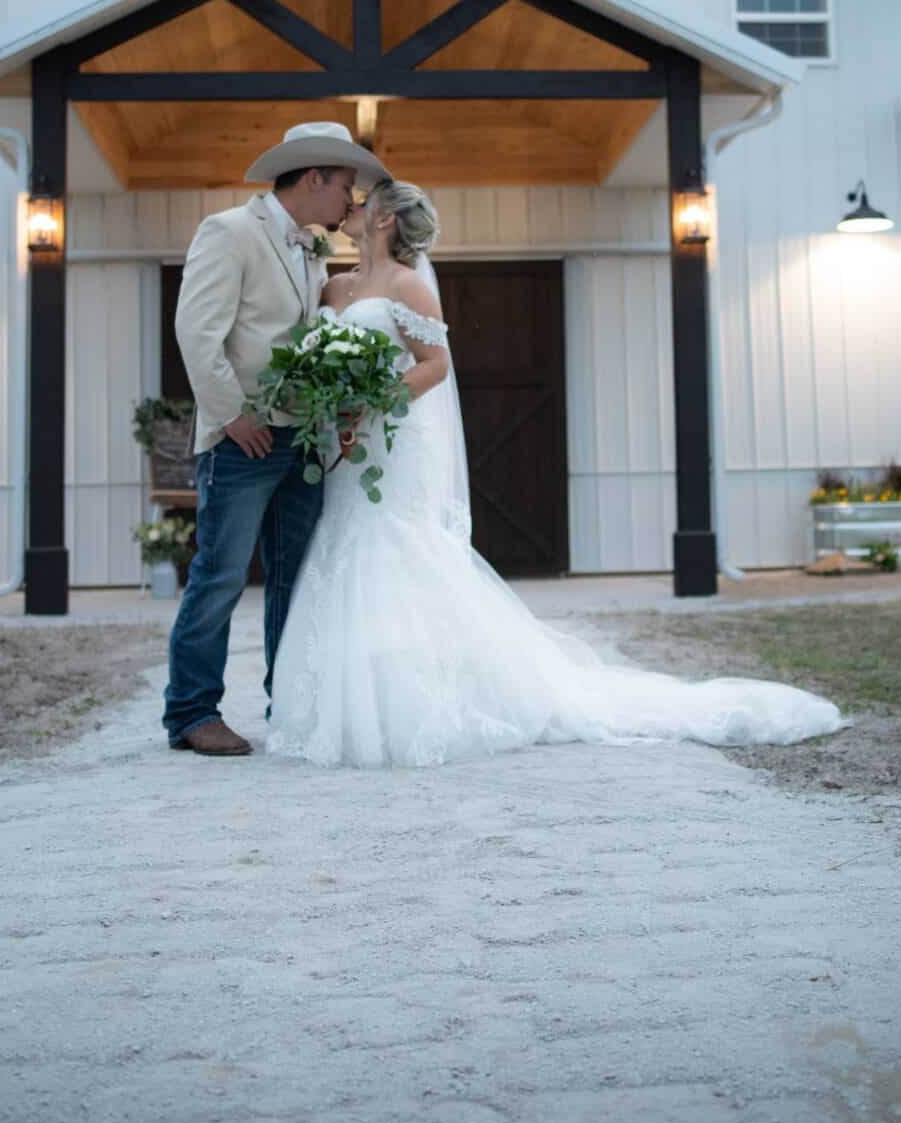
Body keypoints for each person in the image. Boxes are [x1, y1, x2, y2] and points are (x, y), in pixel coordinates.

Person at [267, 179, 848, 768]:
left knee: (392, 551)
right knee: (344, 546)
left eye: (365, 202)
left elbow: (436, 364)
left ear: (386, 220)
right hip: (340, 447)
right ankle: (342, 705)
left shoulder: (408, 287)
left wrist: (374, 401)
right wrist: (328, 399)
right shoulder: (334, 285)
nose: (354, 207)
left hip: (391, 442)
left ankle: (408, 705)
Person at [161, 121, 391, 756]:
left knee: (295, 578)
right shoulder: (229, 232)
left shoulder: (310, 249)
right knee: (221, 576)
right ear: (313, 178)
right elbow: (197, 333)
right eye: (346, 187)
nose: (352, 202)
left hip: (304, 442)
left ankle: (288, 705)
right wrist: (233, 414)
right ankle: (190, 714)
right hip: (243, 441)